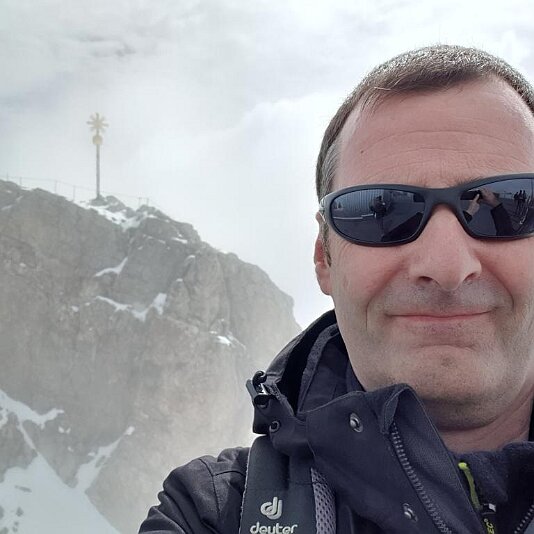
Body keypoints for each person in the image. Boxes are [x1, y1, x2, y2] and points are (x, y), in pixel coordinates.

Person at [139, 45, 534, 534]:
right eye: (382, 211)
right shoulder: (210, 514)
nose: (446, 266)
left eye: (506, 205)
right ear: (324, 258)